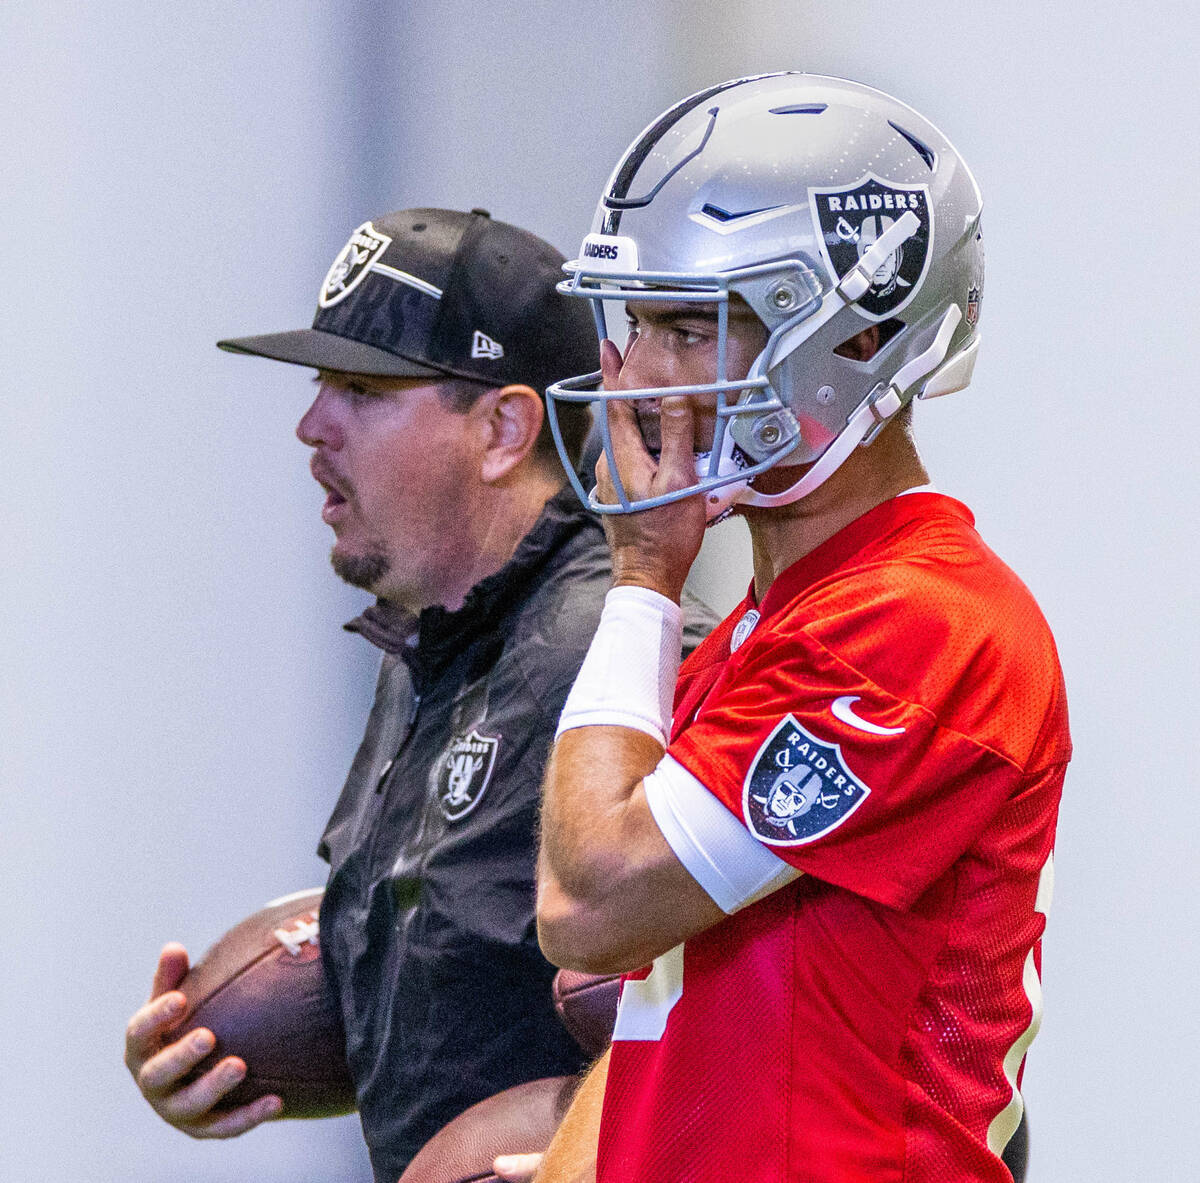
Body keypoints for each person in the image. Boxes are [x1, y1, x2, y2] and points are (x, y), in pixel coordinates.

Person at [530, 74, 1070, 1183]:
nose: (634, 377)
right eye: (638, 323)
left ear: (858, 341)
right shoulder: (780, 619)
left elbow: (592, 900)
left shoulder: (919, 621)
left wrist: (641, 573)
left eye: (688, 325)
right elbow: (657, 1008)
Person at [121, 205, 716, 1183]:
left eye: (362, 388)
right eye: (321, 385)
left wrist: (591, 1144)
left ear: (504, 428)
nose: (312, 425)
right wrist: (217, 1050)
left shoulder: (622, 655)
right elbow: (464, 983)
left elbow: (794, 1016)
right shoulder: (427, 651)